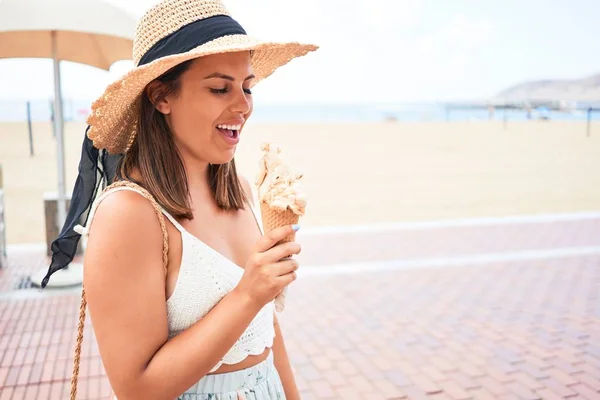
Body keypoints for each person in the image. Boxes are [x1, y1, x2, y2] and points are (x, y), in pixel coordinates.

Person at [41, 0, 318, 399]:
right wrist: (248, 292)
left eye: (247, 87)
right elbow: (136, 388)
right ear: (161, 97)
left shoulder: (236, 189)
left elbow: (266, 332)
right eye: (220, 88)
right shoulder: (129, 214)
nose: (242, 105)